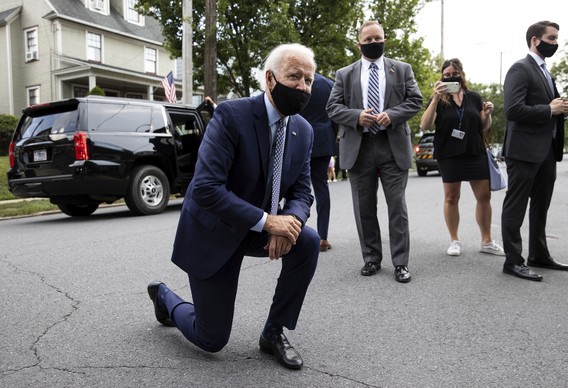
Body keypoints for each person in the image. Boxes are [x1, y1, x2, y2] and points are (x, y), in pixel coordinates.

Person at [147, 43, 320, 370]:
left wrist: (290, 222)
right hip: (214, 231)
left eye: (308, 80)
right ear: (270, 79)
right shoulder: (231, 115)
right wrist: (269, 222)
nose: (302, 87)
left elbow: (302, 192)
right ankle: (166, 299)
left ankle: (273, 332)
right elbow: (205, 188)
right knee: (211, 339)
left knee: (307, 241)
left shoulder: (304, 131)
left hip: (257, 228)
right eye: (294, 76)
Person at [326, 20, 422, 282]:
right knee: (364, 208)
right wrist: (357, 116)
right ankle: (371, 258)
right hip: (360, 147)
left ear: (384, 39)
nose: (373, 43)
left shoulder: (402, 70)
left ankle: (401, 263)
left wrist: (391, 115)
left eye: (377, 38)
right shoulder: (344, 74)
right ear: (358, 43)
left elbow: (416, 100)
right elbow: (332, 108)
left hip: (393, 147)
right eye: (367, 40)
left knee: (397, 208)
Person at [501, 21, 568, 281]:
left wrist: (560, 112)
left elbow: (548, 108)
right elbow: (513, 110)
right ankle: (512, 261)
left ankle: (539, 254)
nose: (555, 43)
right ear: (535, 40)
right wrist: (549, 109)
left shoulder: (545, 71)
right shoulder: (520, 69)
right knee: (516, 206)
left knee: (540, 206)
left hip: (546, 152)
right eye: (551, 38)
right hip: (523, 151)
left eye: (556, 39)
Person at [420, 58, 504, 257]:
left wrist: (487, 114)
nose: (450, 76)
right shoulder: (439, 99)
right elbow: (425, 125)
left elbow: (483, 126)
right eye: (446, 74)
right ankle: (454, 240)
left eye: (454, 73)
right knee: (451, 197)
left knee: (484, 196)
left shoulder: (474, 97)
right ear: (442, 76)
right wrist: (434, 98)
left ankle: (487, 240)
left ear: (462, 74)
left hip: (474, 150)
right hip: (449, 153)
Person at [299, 73, 338, 252]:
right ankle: (323, 237)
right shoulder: (328, 84)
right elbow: (335, 114)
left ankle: (296, 232)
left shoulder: (296, 80)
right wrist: (332, 134)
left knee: (297, 187)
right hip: (323, 139)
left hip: (299, 136)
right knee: (321, 186)